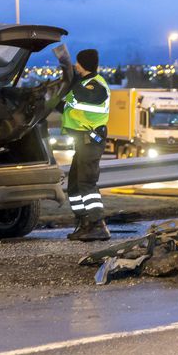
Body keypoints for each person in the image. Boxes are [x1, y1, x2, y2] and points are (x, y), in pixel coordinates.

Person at [61, 49, 111, 241]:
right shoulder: (82, 85)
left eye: (77, 63)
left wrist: (71, 81)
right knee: (74, 185)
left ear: (83, 64)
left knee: (86, 183)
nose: (75, 66)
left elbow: (89, 97)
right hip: (82, 143)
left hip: (91, 141)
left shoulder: (97, 86)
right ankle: (84, 222)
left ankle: (98, 225)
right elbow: (69, 108)